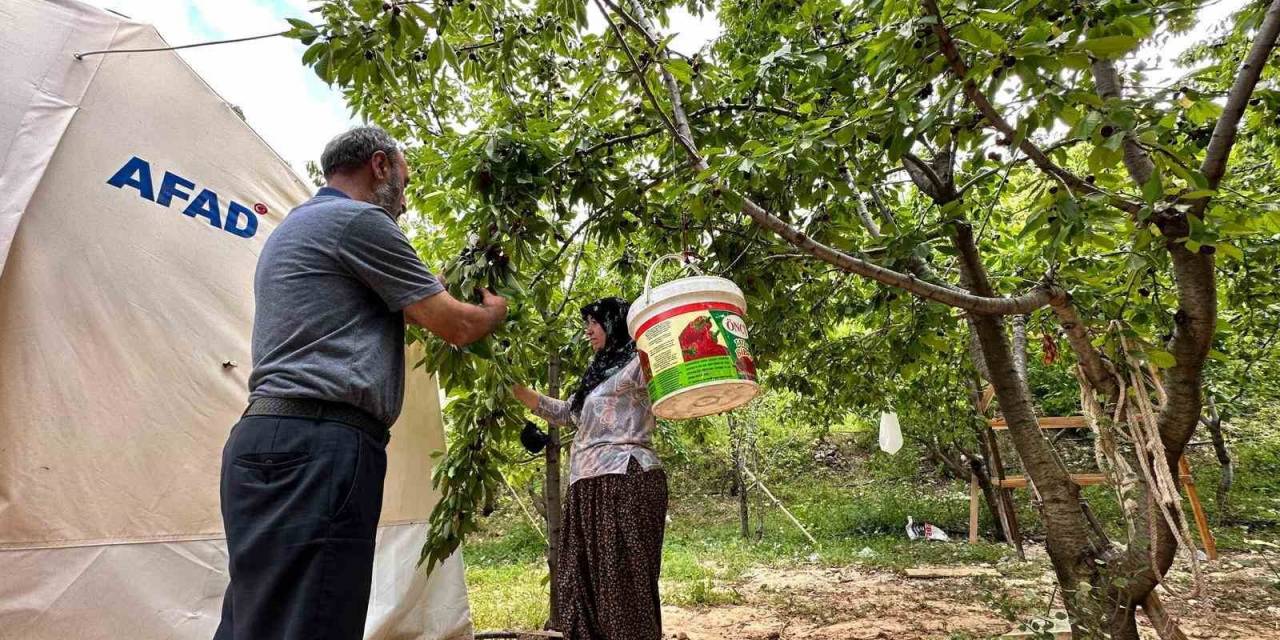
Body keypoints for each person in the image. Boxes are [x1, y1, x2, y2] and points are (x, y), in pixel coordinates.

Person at [215, 126, 507, 640]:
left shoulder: (297, 227)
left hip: (263, 438)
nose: (406, 199)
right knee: (317, 618)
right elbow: (456, 326)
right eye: (405, 180)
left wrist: (425, 292)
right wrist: (494, 312)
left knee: (258, 619)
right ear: (380, 166)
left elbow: (395, 309)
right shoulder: (360, 221)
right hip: (322, 446)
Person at [513, 297, 668, 640]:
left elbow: (673, 385)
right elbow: (567, 414)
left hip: (625, 478)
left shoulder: (639, 363)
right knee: (581, 580)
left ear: (614, 323)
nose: (587, 331)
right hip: (586, 484)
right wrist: (516, 389)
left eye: (593, 323)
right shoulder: (597, 372)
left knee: (622, 582)